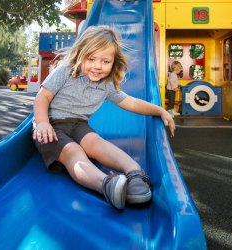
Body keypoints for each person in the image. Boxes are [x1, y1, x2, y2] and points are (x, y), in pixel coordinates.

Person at [32, 25, 175, 210]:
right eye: (91, 59)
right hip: (51, 126)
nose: (98, 66)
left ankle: (135, 172)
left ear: (114, 62)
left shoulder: (106, 84)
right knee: (73, 151)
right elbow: (42, 96)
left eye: (105, 61)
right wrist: (42, 123)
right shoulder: (65, 71)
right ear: (80, 55)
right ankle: (106, 185)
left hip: (78, 124)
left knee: (96, 142)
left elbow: (130, 102)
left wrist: (160, 111)